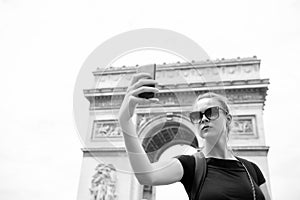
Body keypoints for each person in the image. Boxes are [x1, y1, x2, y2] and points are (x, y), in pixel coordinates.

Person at [118, 72, 271, 200]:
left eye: (211, 112)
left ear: (228, 119)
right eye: (197, 116)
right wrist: (125, 120)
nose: (204, 118)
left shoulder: (252, 169)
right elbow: (147, 176)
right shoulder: (190, 165)